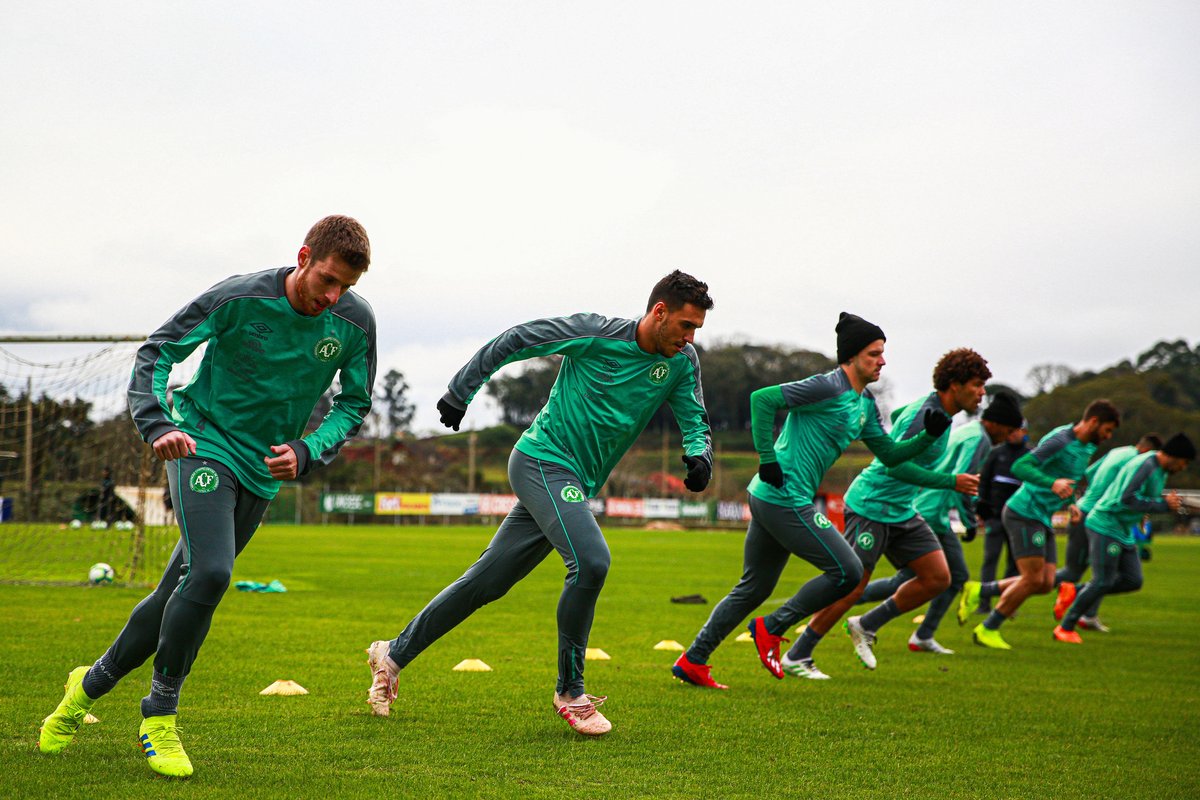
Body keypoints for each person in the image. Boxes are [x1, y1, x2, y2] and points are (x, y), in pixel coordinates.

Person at [37, 216, 377, 777]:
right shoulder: (237, 297)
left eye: (346, 287)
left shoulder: (354, 322)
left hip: (263, 470)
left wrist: (309, 449)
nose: (333, 296)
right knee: (214, 572)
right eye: (327, 280)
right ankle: (160, 714)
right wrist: (157, 423)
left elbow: (353, 402)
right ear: (303, 256)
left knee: (182, 585)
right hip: (203, 445)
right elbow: (159, 351)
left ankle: (85, 687)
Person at [365, 271, 714, 736]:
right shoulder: (595, 333)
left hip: (574, 481)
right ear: (659, 312)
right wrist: (461, 388)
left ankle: (392, 653)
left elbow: (694, 418)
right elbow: (519, 339)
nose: (691, 339)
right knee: (591, 562)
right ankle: (571, 691)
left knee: (485, 584)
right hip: (542, 462)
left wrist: (699, 455)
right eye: (686, 326)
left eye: (697, 330)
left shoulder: (681, 362)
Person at [672, 313, 941, 686]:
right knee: (847, 571)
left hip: (774, 497)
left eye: (882, 353)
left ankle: (693, 660)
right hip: (782, 495)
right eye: (873, 354)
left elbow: (891, 455)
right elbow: (762, 399)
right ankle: (773, 627)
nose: (882, 361)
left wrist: (927, 437)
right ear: (850, 357)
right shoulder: (827, 386)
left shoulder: (864, 406)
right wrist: (766, 458)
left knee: (754, 587)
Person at [788, 349, 990, 672]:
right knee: (851, 584)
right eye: (977, 385)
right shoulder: (927, 413)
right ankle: (798, 654)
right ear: (955, 385)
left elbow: (897, 418)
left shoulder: (940, 413)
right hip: (871, 505)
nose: (982, 393)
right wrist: (951, 481)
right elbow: (893, 467)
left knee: (938, 577)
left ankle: (865, 625)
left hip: (900, 509)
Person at [856, 391, 1023, 654]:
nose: (1009, 436)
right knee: (950, 578)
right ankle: (861, 612)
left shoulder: (967, 430)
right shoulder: (979, 440)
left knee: (922, 578)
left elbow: (900, 414)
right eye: (1010, 429)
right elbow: (964, 482)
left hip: (926, 505)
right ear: (997, 424)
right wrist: (969, 521)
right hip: (933, 511)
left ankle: (904, 628)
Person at [964, 399, 1120, 650]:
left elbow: (1069, 479)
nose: (1108, 436)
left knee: (1046, 582)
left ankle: (979, 591)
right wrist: (1052, 484)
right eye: (1107, 430)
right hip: (1024, 512)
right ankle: (987, 628)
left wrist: (1071, 503)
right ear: (1093, 421)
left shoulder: (1086, 447)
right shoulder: (1060, 440)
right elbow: (1021, 466)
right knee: (1031, 578)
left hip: (1042, 517)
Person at [1053, 433, 1194, 643]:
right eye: (1184, 463)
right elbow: (1127, 499)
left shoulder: (1159, 468)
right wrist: (1163, 505)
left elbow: (1137, 496)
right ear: (1174, 456)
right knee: (1102, 580)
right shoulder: (1146, 465)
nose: (1183, 468)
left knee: (1133, 580)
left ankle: (1073, 590)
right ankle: (1065, 627)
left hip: (1123, 529)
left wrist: (1157, 504)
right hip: (1105, 525)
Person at [972, 424, 1030, 613]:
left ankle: (1007, 604)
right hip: (995, 518)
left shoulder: (1030, 456)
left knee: (1015, 563)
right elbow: (984, 481)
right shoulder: (996, 453)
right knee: (990, 559)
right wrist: (981, 508)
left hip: (1019, 519)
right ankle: (984, 603)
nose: (1012, 433)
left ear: (1024, 433)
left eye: (1016, 430)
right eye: (1011, 430)